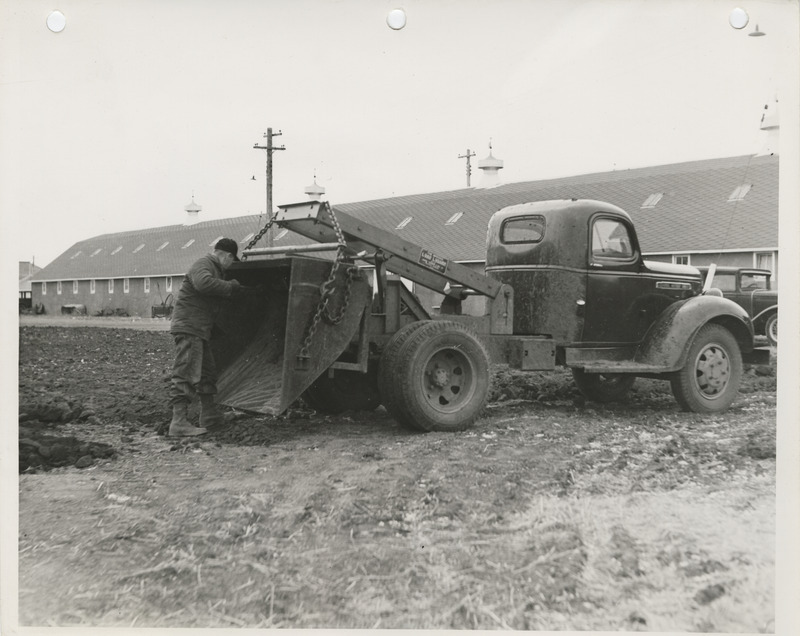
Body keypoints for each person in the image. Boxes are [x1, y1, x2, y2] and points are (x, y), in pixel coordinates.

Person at [167, 237, 252, 436]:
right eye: (232, 261)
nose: (231, 265)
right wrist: (231, 286)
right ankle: (178, 422)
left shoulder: (215, 268)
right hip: (190, 328)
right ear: (227, 256)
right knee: (186, 372)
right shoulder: (204, 264)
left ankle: (210, 415)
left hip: (200, 330)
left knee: (207, 372)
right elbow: (202, 283)